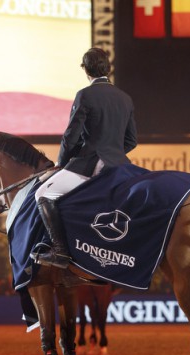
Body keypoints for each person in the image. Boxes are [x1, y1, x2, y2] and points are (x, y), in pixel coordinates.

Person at [32, 47, 138, 269]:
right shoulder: (125, 98)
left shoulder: (85, 95)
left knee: (44, 193)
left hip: (91, 163)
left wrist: (62, 162)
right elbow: (131, 141)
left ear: (86, 70)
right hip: (119, 165)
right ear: (107, 69)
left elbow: (70, 136)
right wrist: (114, 152)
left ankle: (60, 251)